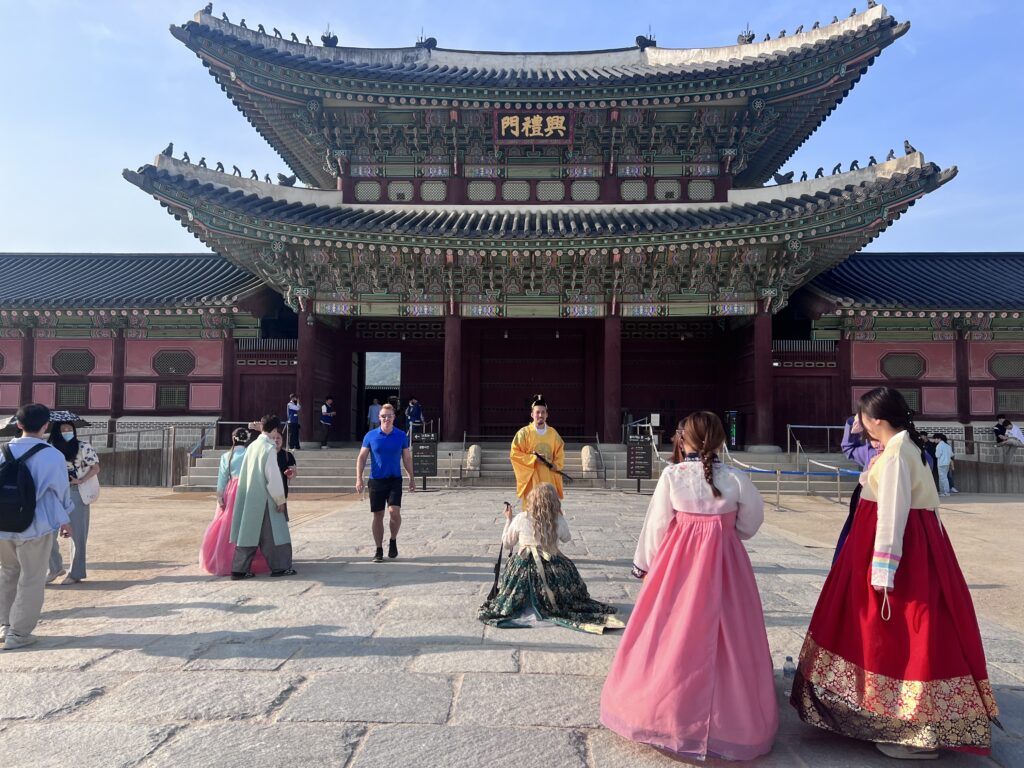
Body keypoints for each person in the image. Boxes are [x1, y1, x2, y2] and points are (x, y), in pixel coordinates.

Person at [791, 387, 998, 759]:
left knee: (894, 635)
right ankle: (905, 721)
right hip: (910, 547)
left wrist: (883, 571)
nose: (857, 423)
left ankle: (904, 727)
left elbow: (891, 513)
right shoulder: (903, 447)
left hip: (894, 553)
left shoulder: (899, 453)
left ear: (875, 420)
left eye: (861, 417)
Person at [601, 411, 777, 761]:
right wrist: (727, 533)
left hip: (677, 566)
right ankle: (730, 721)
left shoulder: (672, 476)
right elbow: (753, 519)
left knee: (672, 631)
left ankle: (666, 713)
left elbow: (656, 525)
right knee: (731, 635)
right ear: (721, 440)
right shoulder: (736, 478)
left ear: (684, 440)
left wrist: (646, 566)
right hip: (727, 566)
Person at [478, 482, 623, 633]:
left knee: (518, 575)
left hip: (523, 565)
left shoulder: (521, 518)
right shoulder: (557, 519)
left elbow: (507, 544)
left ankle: (524, 603)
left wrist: (508, 519)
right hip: (552, 563)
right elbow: (566, 538)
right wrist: (559, 517)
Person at [0, 403, 74, 650]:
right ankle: (19, 634)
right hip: (36, 524)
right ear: (46, 425)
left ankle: (5, 626)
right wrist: (65, 519)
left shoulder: (2, 451)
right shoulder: (53, 455)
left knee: (8, 572)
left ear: (18, 424)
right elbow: (61, 493)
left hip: (2, 524)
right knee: (31, 578)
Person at [229, 415, 296, 579]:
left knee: (248, 533)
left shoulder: (252, 446)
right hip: (265, 498)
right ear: (274, 429)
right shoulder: (268, 448)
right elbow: (272, 476)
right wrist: (280, 499)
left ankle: (239, 569)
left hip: (250, 495)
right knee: (275, 534)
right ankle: (280, 566)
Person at [200, 428, 269, 576]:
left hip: (231, 490)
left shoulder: (226, 456)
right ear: (247, 439)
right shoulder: (249, 453)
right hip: (246, 487)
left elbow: (222, 478)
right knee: (246, 523)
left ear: (233, 439)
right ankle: (245, 558)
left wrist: (220, 496)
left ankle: (225, 557)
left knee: (227, 522)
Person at [355, 403, 415, 563]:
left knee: (394, 512)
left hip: (394, 479)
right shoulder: (370, 436)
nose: (386, 419)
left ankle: (393, 540)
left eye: (389, 416)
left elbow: (407, 458)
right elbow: (361, 457)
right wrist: (359, 478)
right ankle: (378, 549)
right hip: (376, 480)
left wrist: (411, 477)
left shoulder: (401, 435)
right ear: (379, 418)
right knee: (378, 515)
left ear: (394, 417)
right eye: (383, 416)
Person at [46, 421, 99, 585]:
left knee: (78, 534)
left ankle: (76, 572)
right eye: (63, 429)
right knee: (47, 533)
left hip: (76, 491)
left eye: (70, 429)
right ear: (56, 432)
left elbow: (95, 467)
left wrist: (81, 480)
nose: (67, 431)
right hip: (53, 492)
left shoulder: (83, 446)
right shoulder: (49, 448)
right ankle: (55, 567)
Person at [834, 413, 881, 564]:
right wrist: (850, 423)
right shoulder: (869, 451)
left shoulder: (902, 450)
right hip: (867, 506)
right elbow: (849, 448)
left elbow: (926, 461)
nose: (875, 442)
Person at [510, 395, 565, 502]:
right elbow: (514, 454)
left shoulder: (553, 434)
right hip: (532, 480)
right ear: (532, 414)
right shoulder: (523, 434)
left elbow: (560, 453)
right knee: (532, 511)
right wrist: (533, 459)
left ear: (547, 415)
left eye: (543, 412)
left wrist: (556, 465)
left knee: (549, 510)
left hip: (549, 479)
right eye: (537, 412)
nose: (540, 415)